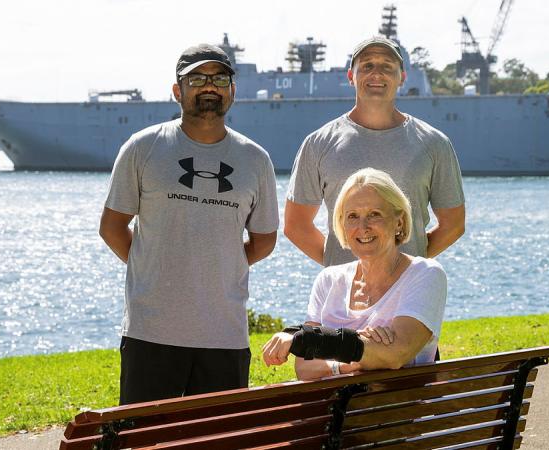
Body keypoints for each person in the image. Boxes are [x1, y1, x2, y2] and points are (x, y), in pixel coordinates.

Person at [99, 43, 279, 404]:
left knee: (217, 440)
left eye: (219, 78)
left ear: (232, 91)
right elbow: (112, 227)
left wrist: (219, 264)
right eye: (197, 78)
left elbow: (264, 240)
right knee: (145, 439)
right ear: (177, 91)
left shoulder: (255, 160)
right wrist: (153, 265)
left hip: (224, 335)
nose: (209, 86)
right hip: (150, 331)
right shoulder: (143, 148)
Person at [285, 36, 465, 267]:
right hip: (343, 297)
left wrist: (406, 265)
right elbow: (296, 225)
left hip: (409, 294)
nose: (377, 73)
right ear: (351, 76)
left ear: (402, 77)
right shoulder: (318, 143)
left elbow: (454, 224)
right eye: (367, 65)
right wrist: (342, 268)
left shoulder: (434, 143)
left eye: (387, 66)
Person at [262, 168, 446, 380]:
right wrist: (352, 359)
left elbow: (396, 354)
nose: (363, 227)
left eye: (374, 214)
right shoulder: (329, 279)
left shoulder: (426, 274)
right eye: (352, 216)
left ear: (399, 222)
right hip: (331, 409)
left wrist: (312, 343)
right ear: (342, 224)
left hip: (398, 409)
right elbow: (304, 367)